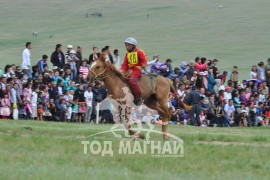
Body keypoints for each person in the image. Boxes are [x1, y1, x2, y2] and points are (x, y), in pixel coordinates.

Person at [120, 37, 147, 106]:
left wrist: (144, 65)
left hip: (136, 70)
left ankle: (138, 97)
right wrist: (121, 71)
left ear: (133, 45)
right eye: (126, 45)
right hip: (129, 70)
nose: (127, 47)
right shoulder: (127, 54)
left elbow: (144, 60)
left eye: (128, 45)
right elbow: (125, 64)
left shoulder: (139, 52)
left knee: (132, 81)